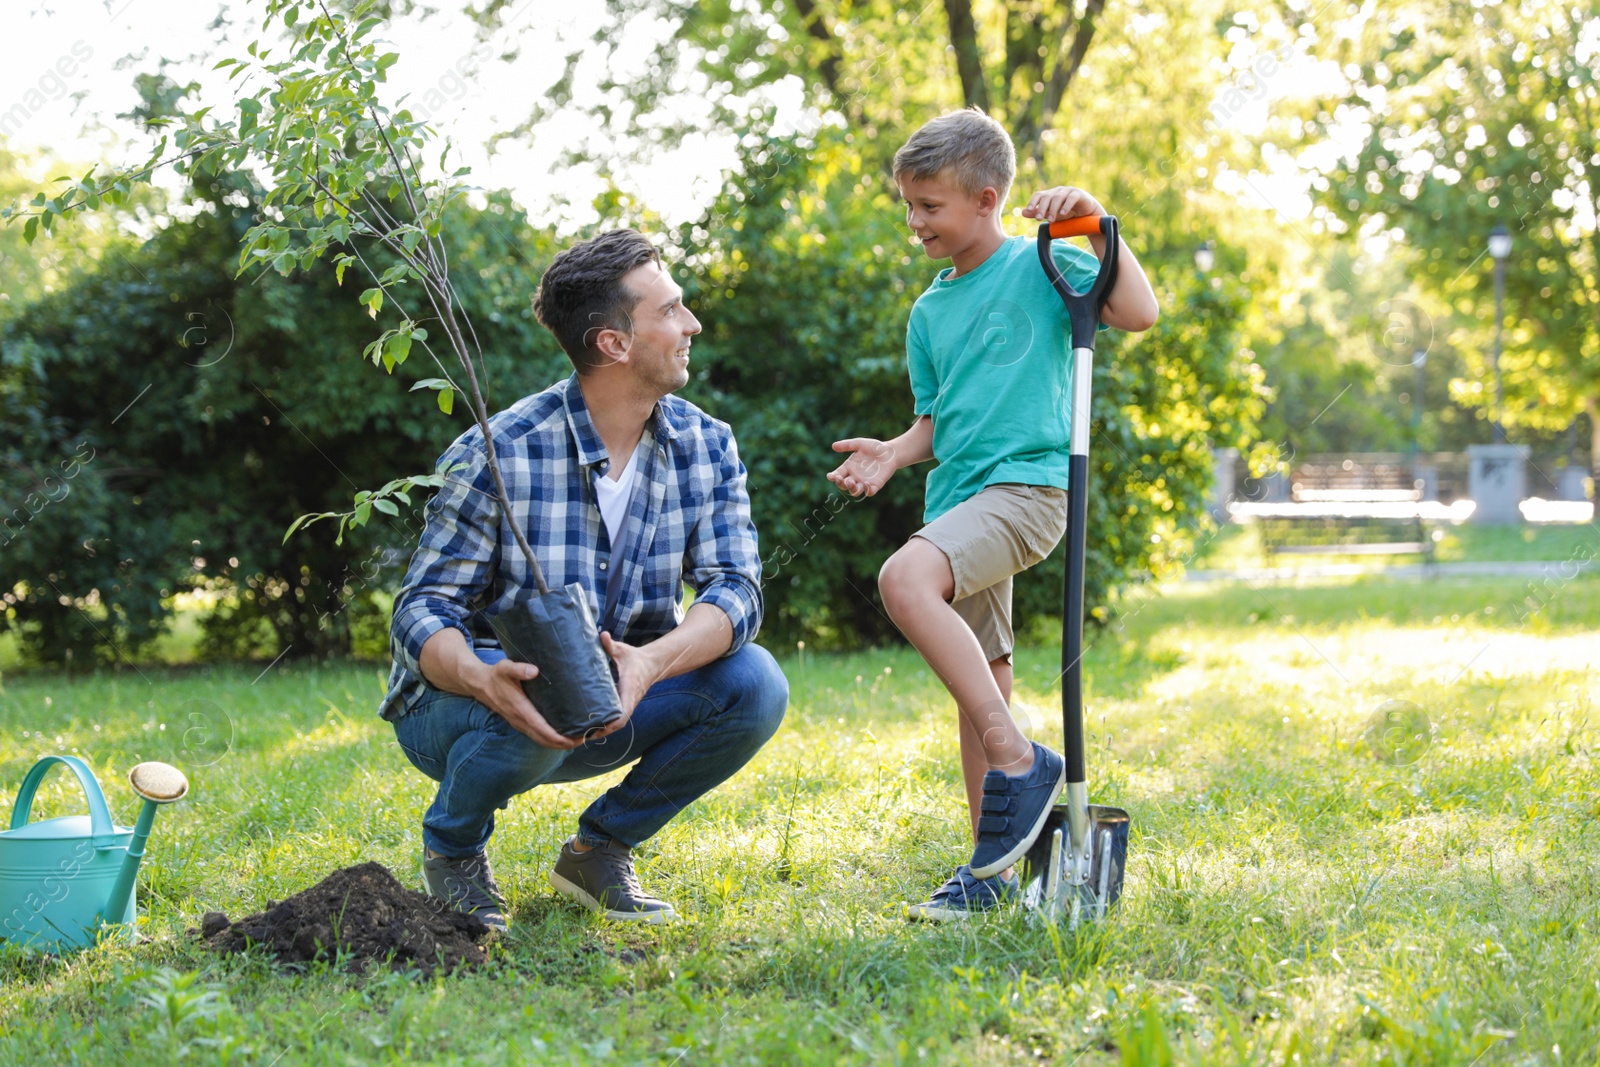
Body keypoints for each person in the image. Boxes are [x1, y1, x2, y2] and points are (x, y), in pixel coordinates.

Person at [381, 229, 787, 929]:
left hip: (618, 699)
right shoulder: (498, 452)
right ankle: (452, 847)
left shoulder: (706, 444)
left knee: (755, 683)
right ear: (613, 344)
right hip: (465, 708)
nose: (692, 324)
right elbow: (422, 609)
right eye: (671, 310)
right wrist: (484, 677)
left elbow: (737, 589)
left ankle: (598, 850)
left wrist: (649, 664)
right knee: (550, 682)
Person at [828, 108, 1159, 921]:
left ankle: (1020, 758)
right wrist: (893, 453)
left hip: (1031, 489)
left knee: (905, 577)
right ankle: (991, 870)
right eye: (907, 205)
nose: (914, 222)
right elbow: (936, 422)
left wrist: (1094, 224)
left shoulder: (1043, 269)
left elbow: (1138, 311)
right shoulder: (928, 312)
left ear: (987, 199)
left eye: (929, 206)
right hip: (962, 501)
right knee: (982, 689)